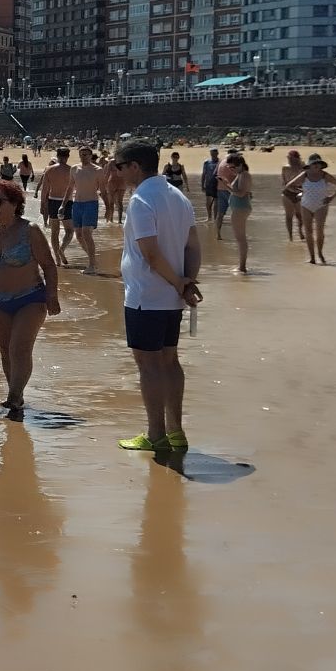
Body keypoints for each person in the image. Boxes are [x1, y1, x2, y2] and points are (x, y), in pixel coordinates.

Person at [113, 140, 202, 453]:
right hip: (170, 297)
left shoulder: (141, 200)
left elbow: (150, 253)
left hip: (145, 296)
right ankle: (175, 431)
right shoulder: (178, 197)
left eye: (119, 166)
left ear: (135, 166)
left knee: (148, 365)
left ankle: (155, 433)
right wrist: (187, 283)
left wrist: (179, 282)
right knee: (169, 360)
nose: (118, 172)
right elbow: (192, 247)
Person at [0, 179, 59, 418]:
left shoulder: (30, 230)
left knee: (19, 348)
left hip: (30, 298)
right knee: (6, 351)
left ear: (15, 203)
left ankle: (13, 398)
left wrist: (52, 295)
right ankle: (17, 393)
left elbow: (49, 265)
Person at [283, 154, 336, 265]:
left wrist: (331, 197)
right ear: (309, 165)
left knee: (319, 231)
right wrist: (301, 192)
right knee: (308, 232)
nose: (316, 166)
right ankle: (312, 257)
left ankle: (320, 253)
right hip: (306, 205)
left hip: (321, 205)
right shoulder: (305, 175)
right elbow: (288, 185)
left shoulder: (324, 175)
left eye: (318, 163)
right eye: (314, 164)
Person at [67, 147, 103, 274]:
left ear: (90, 155)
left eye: (86, 155)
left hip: (91, 203)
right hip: (77, 204)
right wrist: (63, 203)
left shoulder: (98, 170)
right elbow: (70, 187)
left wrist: (109, 206)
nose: (84, 157)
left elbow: (103, 190)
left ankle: (92, 265)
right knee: (79, 235)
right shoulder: (74, 169)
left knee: (86, 233)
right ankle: (93, 260)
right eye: (81, 155)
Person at [37, 146, 74, 264]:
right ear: (68, 156)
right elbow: (75, 188)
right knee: (69, 230)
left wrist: (43, 204)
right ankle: (62, 249)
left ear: (57, 156)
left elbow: (44, 190)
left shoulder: (49, 169)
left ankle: (57, 258)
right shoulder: (72, 170)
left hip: (52, 201)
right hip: (67, 201)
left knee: (55, 231)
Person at [225, 153, 253, 273]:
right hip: (238, 208)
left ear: (240, 165)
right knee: (239, 238)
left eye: (233, 167)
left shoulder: (244, 175)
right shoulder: (240, 174)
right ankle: (241, 265)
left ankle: (242, 266)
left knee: (241, 238)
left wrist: (226, 186)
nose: (231, 170)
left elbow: (241, 193)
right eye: (229, 168)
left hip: (241, 208)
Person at [279, 149, 304, 241]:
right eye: (288, 158)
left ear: (296, 158)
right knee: (289, 216)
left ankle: (300, 231)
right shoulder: (285, 168)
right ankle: (290, 236)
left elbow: (305, 180)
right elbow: (284, 182)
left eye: (291, 158)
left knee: (300, 215)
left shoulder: (302, 167)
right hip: (287, 192)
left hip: (299, 192)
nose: (289, 159)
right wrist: (290, 187)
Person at [199, 148, 222, 230]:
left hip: (217, 185)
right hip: (208, 184)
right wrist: (202, 185)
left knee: (216, 202)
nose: (213, 154)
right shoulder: (207, 162)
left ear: (217, 153)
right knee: (208, 203)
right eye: (212, 153)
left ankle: (215, 218)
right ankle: (209, 217)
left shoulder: (220, 162)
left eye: (215, 153)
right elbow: (204, 174)